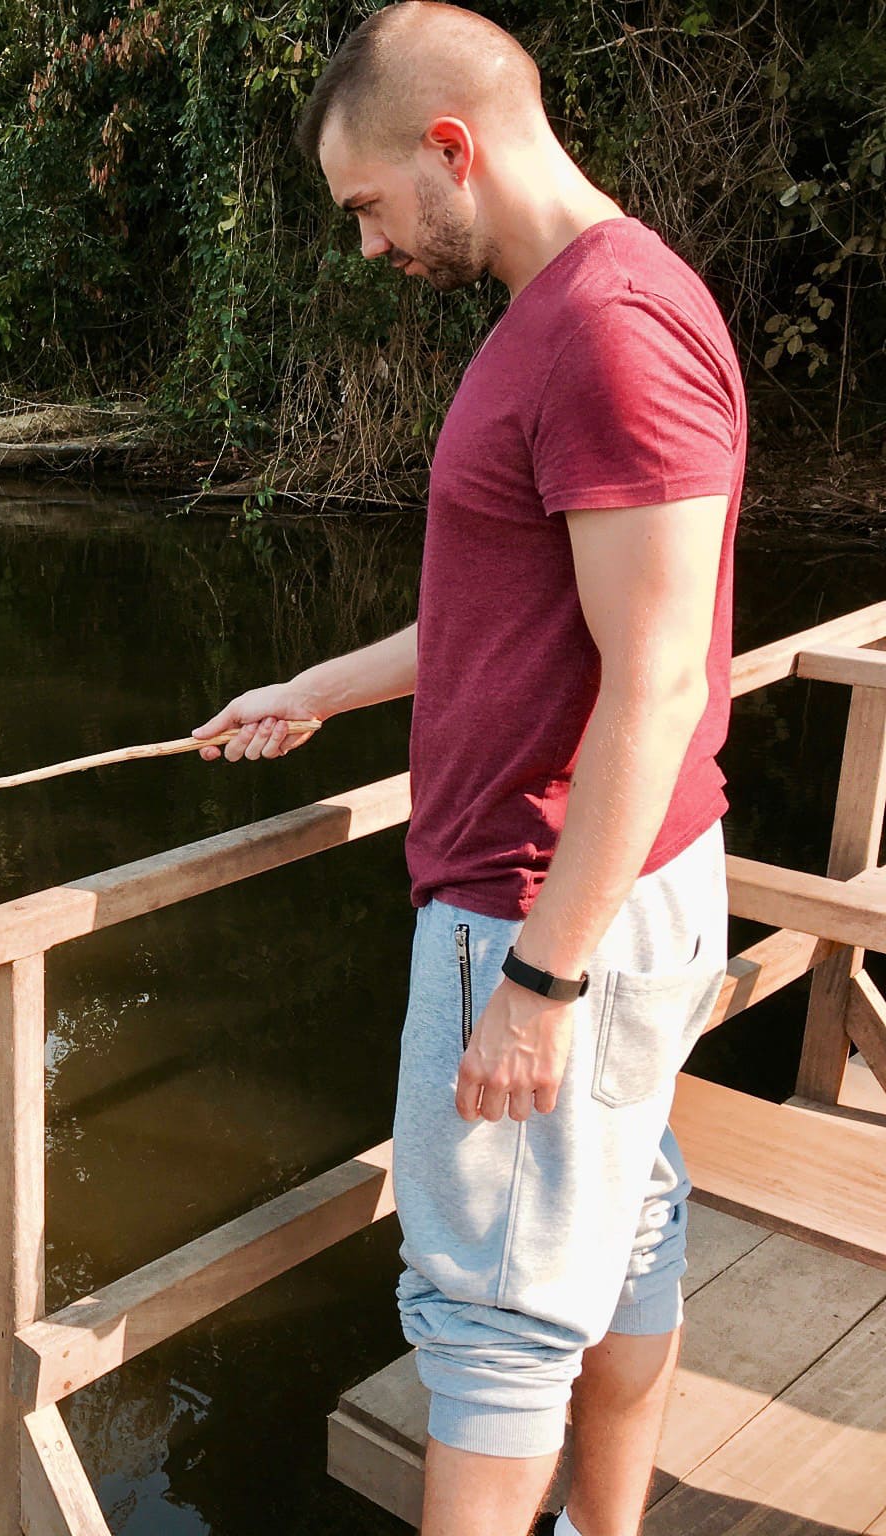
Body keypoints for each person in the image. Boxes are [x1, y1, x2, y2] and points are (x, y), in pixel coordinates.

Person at [190, 6, 745, 1533]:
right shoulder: (592, 306)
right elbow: (513, 611)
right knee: (625, 1225)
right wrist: (316, 687)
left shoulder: (607, 332)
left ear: (452, 148)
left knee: (491, 1313)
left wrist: (541, 981)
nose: (367, 247)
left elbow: (660, 676)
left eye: (367, 206)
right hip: (622, 885)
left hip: (542, 902)